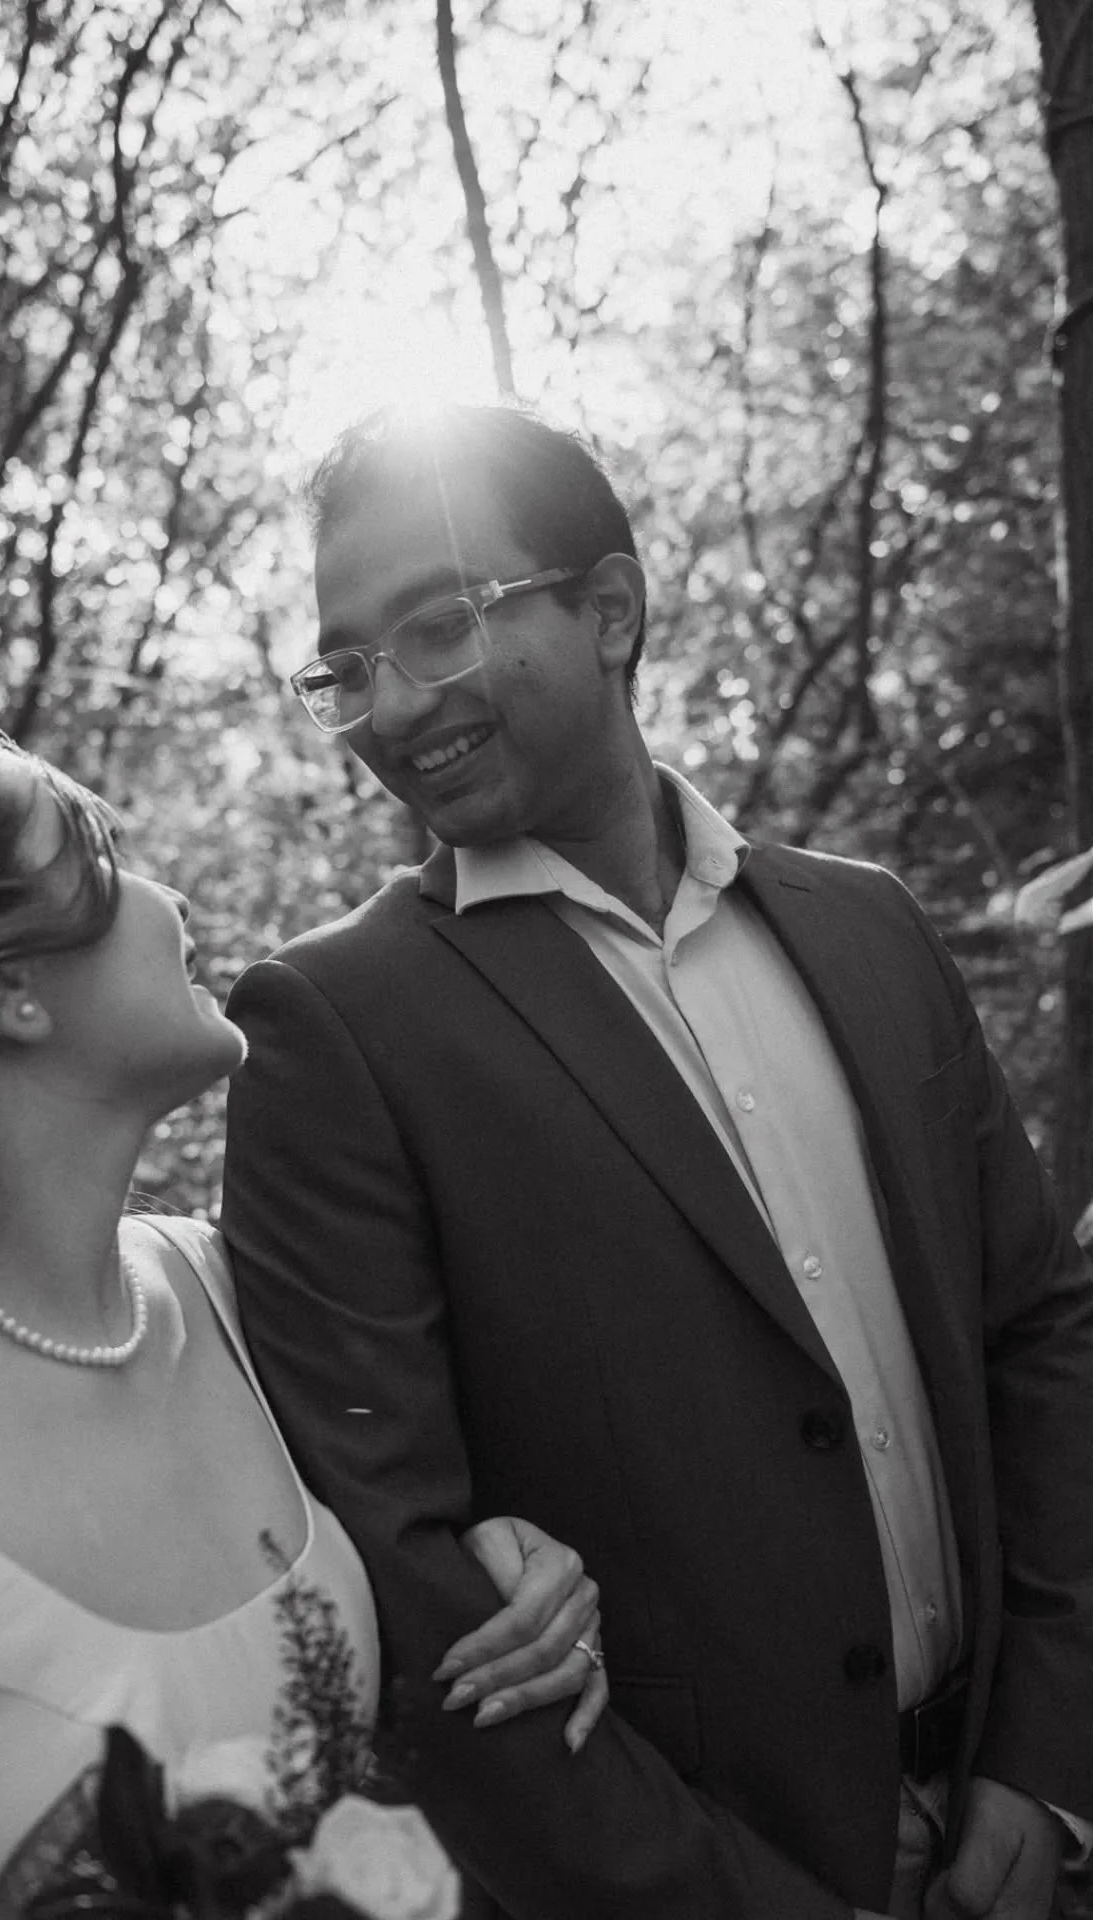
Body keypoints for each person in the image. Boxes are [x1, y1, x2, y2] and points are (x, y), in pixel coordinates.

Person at [219, 404, 1093, 1920]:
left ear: (611, 609)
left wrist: (1049, 1764)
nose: (391, 707)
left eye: (439, 626)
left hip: (1014, 1825)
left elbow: (1039, 1336)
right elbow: (405, 1568)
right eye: (345, 667)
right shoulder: (333, 1025)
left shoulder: (871, 929)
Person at [0, 724, 609, 1920]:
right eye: (102, 858)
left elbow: (399, 1564)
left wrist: (500, 1570)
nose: (171, 899)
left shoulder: (245, 1302)